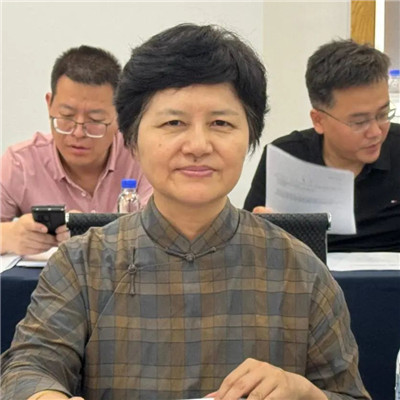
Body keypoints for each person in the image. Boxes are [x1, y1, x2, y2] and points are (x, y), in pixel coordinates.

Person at [1, 24, 370, 400]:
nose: (198, 145)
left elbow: (348, 392)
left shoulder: (300, 270)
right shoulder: (82, 262)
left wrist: (306, 394)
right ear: (132, 139)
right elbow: (29, 367)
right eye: (173, 123)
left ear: (250, 136)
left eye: (221, 123)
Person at [244, 39, 400, 253]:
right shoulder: (287, 157)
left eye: (383, 114)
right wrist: (261, 230)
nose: (375, 132)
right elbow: (251, 245)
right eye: (359, 122)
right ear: (318, 120)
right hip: (311, 271)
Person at [0, 45, 153, 256]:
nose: (78, 133)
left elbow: (165, 232)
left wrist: (91, 233)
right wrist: (8, 236)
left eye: (95, 120)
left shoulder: (142, 157)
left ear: (119, 114)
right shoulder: (21, 162)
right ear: (49, 104)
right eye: (66, 116)